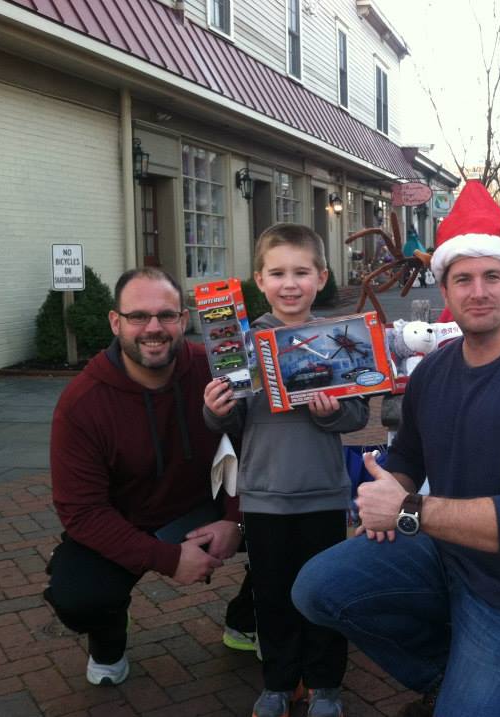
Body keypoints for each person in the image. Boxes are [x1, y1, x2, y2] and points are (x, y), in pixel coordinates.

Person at [292, 180, 500, 717]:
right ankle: (449, 671)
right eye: (463, 279)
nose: (478, 291)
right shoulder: (434, 371)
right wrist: (390, 487)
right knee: (318, 588)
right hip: (447, 555)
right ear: (445, 291)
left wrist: (409, 509)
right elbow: (408, 460)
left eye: (492, 277)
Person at [45, 267, 251, 687]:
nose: (153, 328)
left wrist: (237, 518)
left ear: (184, 319)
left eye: (166, 315)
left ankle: (247, 619)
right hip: (127, 521)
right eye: (138, 316)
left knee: (295, 520)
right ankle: (108, 638)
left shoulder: (212, 370)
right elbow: (80, 512)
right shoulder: (83, 402)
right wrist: (168, 559)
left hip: (207, 504)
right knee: (78, 596)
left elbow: (252, 448)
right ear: (115, 322)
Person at [204, 223, 369, 717]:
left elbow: (358, 415)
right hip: (263, 494)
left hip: (322, 492)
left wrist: (331, 413)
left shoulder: (338, 342)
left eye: (301, 272)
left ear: (321, 277)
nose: (290, 283)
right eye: (278, 273)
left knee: (321, 593)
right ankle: (278, 682)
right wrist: (215, 410)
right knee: (272, 596)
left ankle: (325, 685)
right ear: (259, 279)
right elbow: (230, 419)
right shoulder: (240, 343)